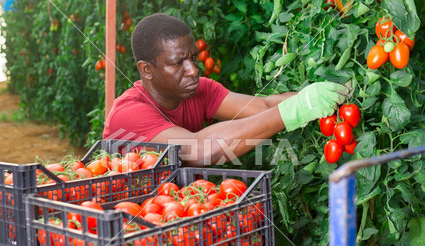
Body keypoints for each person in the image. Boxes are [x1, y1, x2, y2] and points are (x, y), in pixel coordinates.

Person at [103, 13, 353, 166]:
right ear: (146, 70)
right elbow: (197, 150)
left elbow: (261, 106)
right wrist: (293, 111)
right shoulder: (129, 114)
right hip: (128, 222)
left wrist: (319, 95)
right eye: (179, 63)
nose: (193, 70)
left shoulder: (200, 90)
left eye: (194, 58)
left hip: (174, 210)